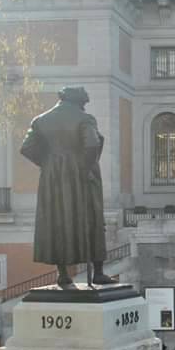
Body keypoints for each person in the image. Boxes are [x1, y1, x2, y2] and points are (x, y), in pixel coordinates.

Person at [19, 86, 113, 287]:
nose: (84, 107)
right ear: (79, 101)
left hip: (52, 178)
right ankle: (98, 272)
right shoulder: (84, 119)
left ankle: (62, 275)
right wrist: (85, 167)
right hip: (82, 176)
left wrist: (48, 163)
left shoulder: (40, 120)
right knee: (93, 218)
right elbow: (92, 145)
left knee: (56, 221)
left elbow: (27, 148)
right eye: (83, 103)